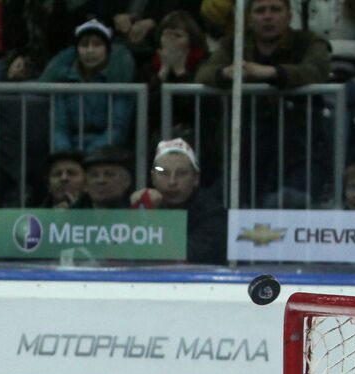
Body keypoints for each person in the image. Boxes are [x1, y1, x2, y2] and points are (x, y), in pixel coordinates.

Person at [196, 0, 333, 205]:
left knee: (290, 205)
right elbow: (203, 74)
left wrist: (272, 73)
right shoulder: (233, 43)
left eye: (275, 9)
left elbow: (316, 71)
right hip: (245, 153)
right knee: (222, 204)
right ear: (249, 19)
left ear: (289, 16)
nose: (268, 16)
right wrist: (226, 72)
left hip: (300, 149)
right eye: (260, 11)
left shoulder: (309, 42)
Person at [39, 19, 137, 155]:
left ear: (107, 50)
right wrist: (67, 156)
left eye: (97, 45)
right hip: (69, 152)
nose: (90, 50)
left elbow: (117, 130)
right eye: (84, 45)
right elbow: (59, 128)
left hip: (106, 153)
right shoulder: (63, 81)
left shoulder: (119, 81)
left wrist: (90, 156)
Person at [131, 138, 226, 264]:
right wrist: (137, 213)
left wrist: (153, 216)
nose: (172, 182)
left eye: (182, 173)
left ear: (196, 178)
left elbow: (183, 257)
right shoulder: (141, 203)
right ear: (153, 177)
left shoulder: (212, 213)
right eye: (163, 172)